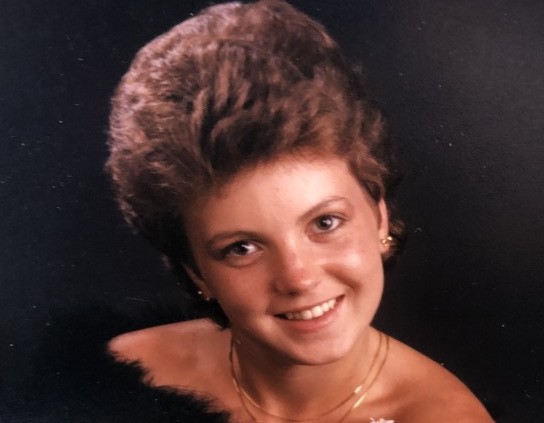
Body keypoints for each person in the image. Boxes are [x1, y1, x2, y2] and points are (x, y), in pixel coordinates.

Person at [105, 1, 493, 421]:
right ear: (197, 273)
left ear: (379, 217)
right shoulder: (119, 377)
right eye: (242, 248)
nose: (298, 278)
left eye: (325, 223)